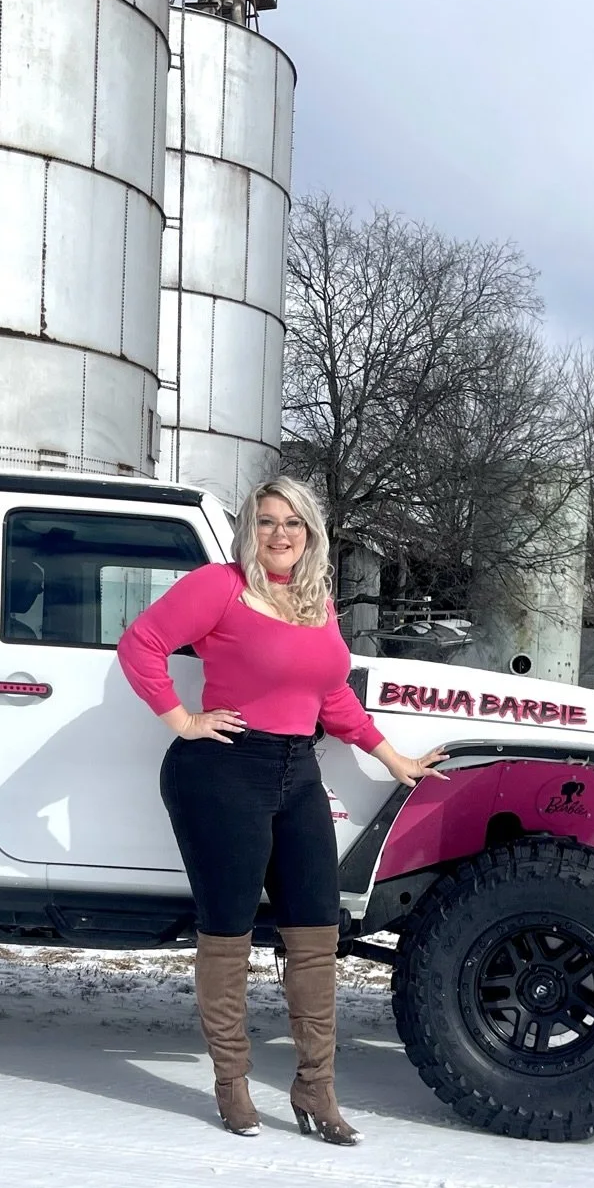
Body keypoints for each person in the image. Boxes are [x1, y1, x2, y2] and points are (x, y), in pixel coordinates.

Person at [116, 476, 445, 1144]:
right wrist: (181, 720)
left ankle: (315, 1089)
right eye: (266, 520)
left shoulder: (314, 601)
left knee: (316, 936)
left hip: (297, 772)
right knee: (229, 933)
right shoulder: (220, 585)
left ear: (311, 531)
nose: (279, 533)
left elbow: (331, 699)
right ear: (250, 528)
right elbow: (141, 645)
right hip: (222, 771)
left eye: (292, 521)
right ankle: (232, 1086)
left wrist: (391, 756)